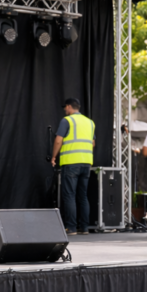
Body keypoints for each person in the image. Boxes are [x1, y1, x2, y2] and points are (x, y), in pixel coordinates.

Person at [51, 98, 95, 234]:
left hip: (71, 162)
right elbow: (93, 143)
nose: (65, 110)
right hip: (86, 162)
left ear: (69, 107)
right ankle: (85, 227)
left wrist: (53, 157)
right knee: (82, 196)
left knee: (69, 195)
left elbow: (58, 140)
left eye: (65, 107)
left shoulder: (67, 120)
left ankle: (71, 227)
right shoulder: (90, 122)